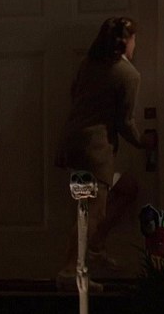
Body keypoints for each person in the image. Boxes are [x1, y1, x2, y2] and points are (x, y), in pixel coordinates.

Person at [54, 16, 149, 291]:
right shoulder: (128, 74)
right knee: (90, 211)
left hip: (74, 141)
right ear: (126, 41)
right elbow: (125, 122)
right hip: (94, 150)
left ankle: (95, 246)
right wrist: (143, 142)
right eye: (134, 39)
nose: (135, 44)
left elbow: (74, 93)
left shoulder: (89, 64)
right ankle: (70, 270)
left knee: (126, 188)